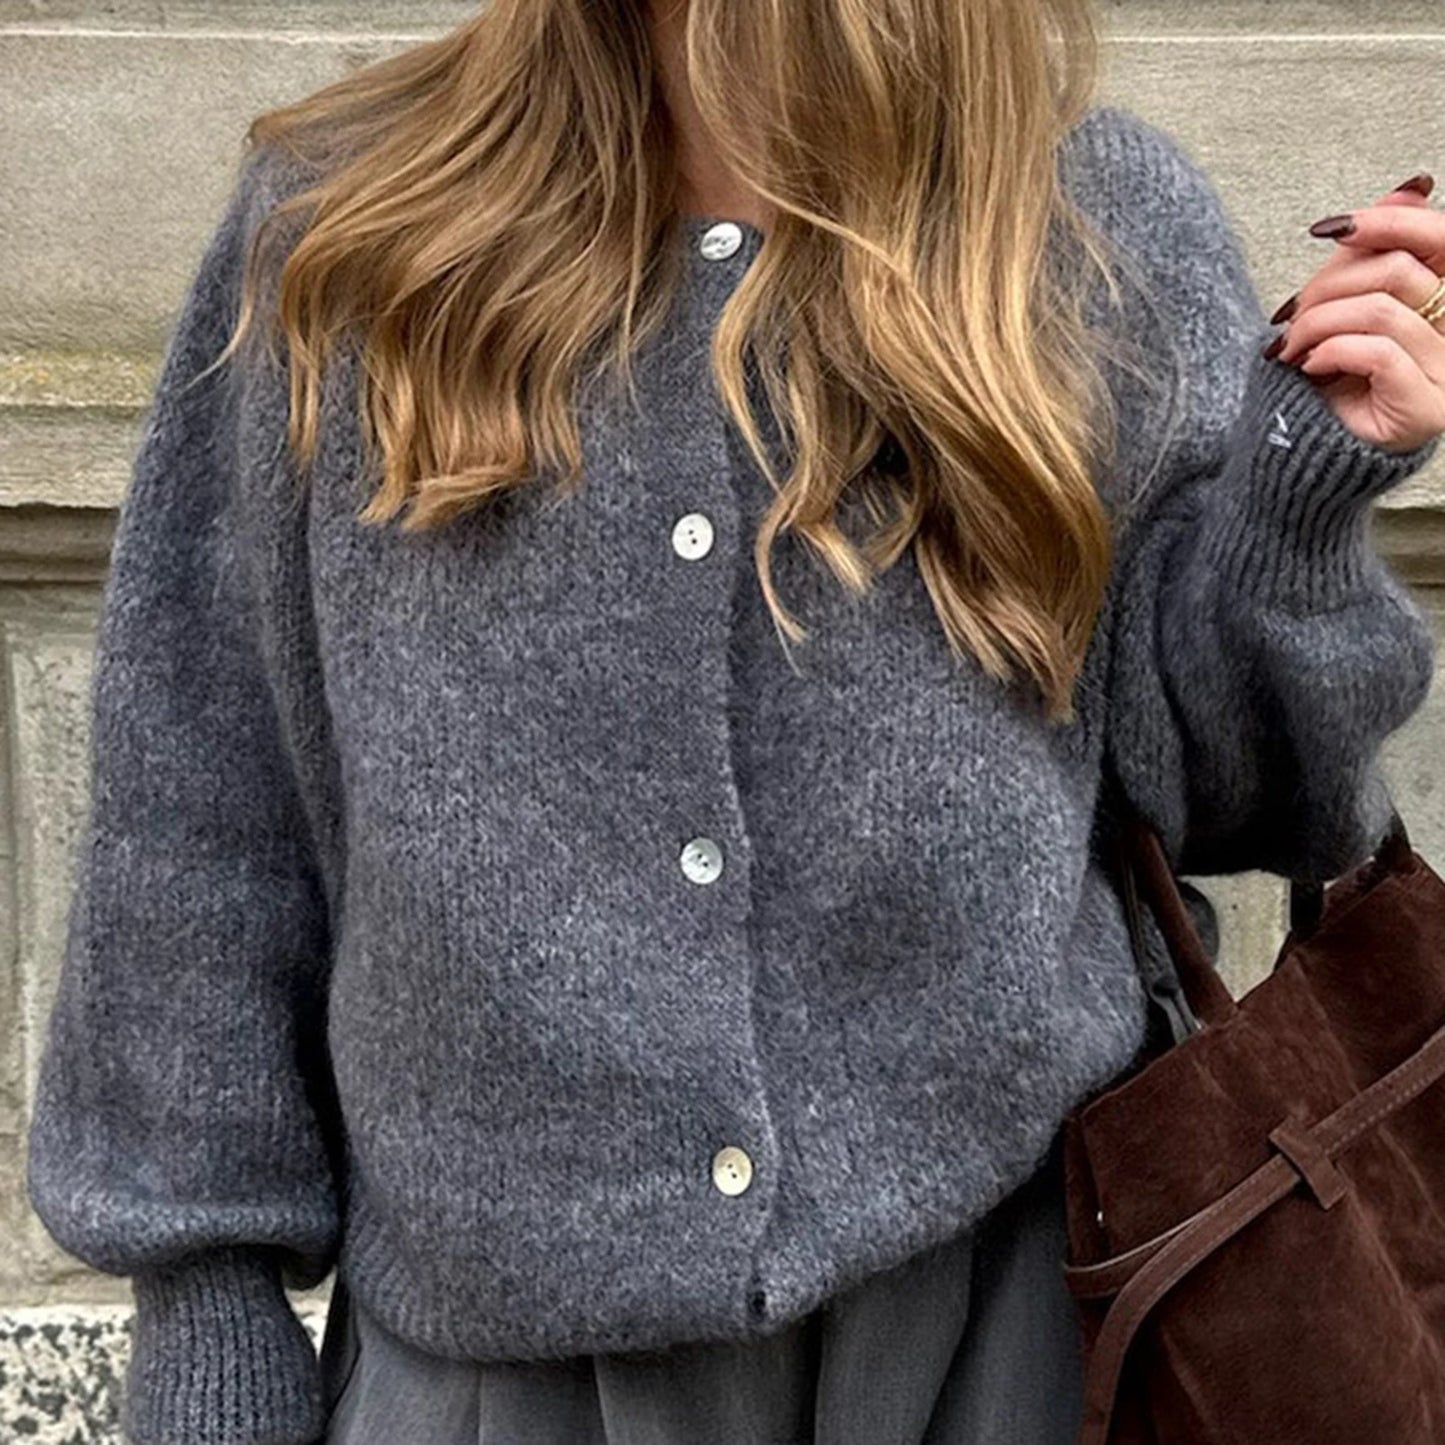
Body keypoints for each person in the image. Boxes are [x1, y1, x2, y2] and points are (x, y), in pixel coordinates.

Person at [24, 0, 1445, 1441]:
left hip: (1011, 1333)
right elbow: (201, 815)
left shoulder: (1091, 228)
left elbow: (1253, 801)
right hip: (494, 1370)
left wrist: (1296, 503)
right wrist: (211, 1311)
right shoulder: (350, 223)